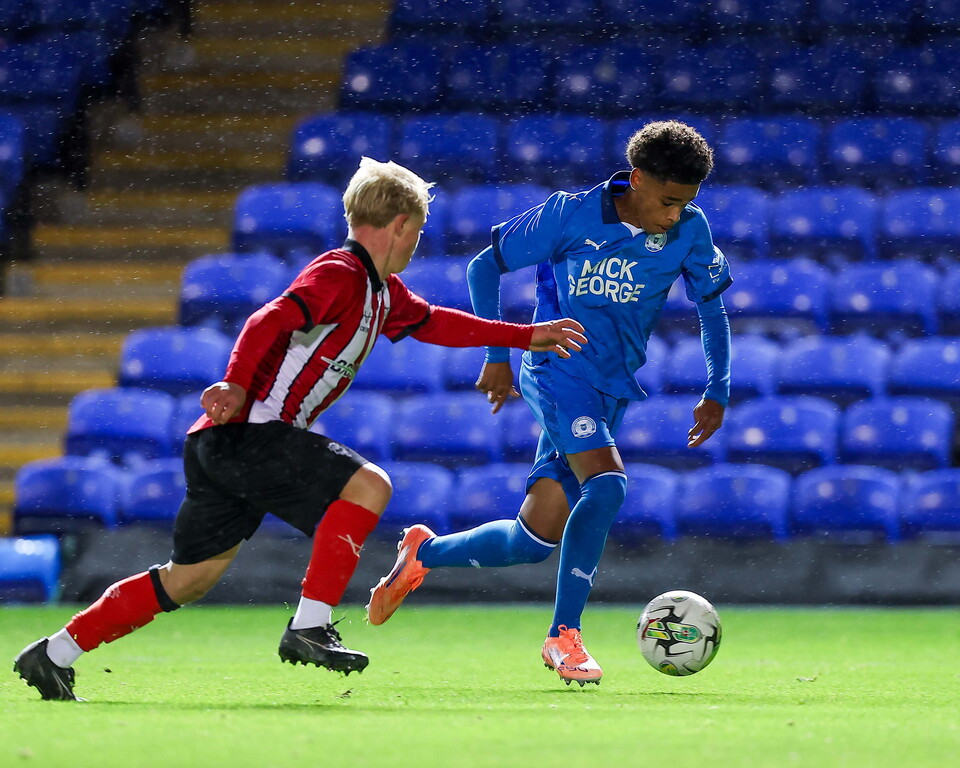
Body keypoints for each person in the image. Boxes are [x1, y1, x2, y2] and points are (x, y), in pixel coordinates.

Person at [13, 157, 588, 701]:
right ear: (400, 223)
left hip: (221, 444)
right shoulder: (341, 273)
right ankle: (311, 625)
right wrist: (236, 383)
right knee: (369, 485)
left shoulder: (380, 292)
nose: (417, 243)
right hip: (251, 431)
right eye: (416, 231)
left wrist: (521, 336)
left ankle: (55, 653)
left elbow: (437, 323)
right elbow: (270, 317)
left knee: (188, 578)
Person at [367, 121, 732, 687]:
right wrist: (497, 356)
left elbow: (711, 308)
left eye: (686, 204)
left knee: (532, 539)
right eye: (667, 202)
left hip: (612, 387)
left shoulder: (689, 228)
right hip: (555, 370)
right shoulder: (569, 215)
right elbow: (482, 267)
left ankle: (424, 554)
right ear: (635, 179)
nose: (675, 216)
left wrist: (718, 389)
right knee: (607, 485)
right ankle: (564, 637)